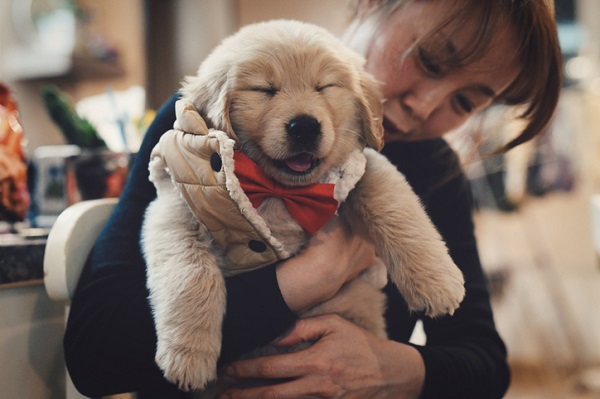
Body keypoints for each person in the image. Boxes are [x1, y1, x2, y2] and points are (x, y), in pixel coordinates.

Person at [63, 0, 562, 398]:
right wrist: (308, 279)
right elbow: (95, 352)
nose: (424, 105)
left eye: (465, 102)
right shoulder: (196, 130)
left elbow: (485, 364)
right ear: (373, 3)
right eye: (430, 60)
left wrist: (394, 369)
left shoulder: (432, 169)